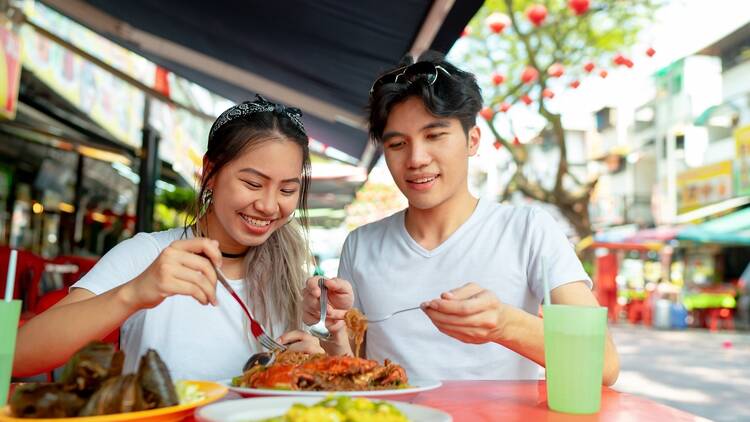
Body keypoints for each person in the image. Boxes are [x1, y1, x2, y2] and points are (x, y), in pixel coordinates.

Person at [302, 52, 620, 385]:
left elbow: (604, 364)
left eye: (434, 136)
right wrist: (333, 331)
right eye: (398, 143)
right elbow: (355, 369)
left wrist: (504, 324)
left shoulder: (528, 229)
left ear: (472, 140)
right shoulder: (362, 244)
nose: (417, 159)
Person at [15, 95, 323, 381]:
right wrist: (133, 293)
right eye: (253, 183)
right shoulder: (148, 255)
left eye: (287, 190)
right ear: (210, 172)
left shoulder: (291, 279)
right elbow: (15, 356)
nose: (269, 205)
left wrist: (319, 358)